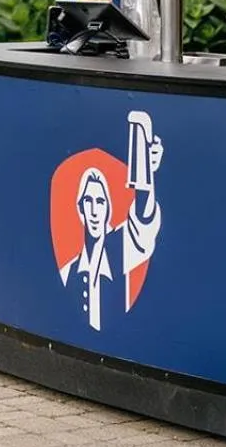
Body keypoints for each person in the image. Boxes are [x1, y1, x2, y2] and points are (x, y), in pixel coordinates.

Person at [60, 128, 161, 332]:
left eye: (100, 202)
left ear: (108, 210)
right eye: (88, 201)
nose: (94, 211)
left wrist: (145, 174)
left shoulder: (121, 249)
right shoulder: (70, 271)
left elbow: (142, 223)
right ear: (80, 208)